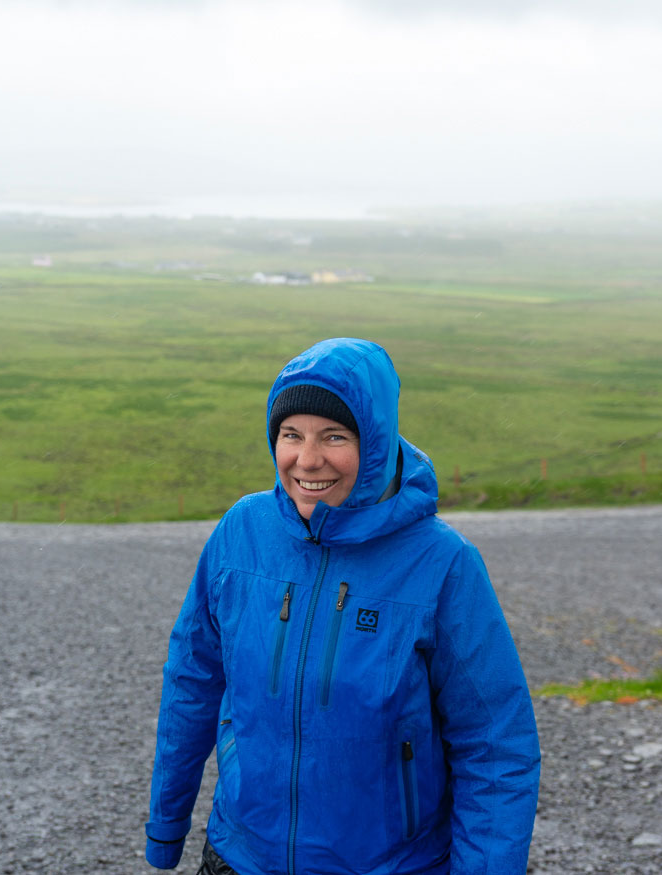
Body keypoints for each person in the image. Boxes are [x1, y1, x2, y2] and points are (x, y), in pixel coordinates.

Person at [145, 338, 540, 874]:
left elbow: (495, 744)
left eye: (334, 436)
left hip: (389, 865)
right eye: (291, 435)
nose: (308, 460)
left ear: (373, 442)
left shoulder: (442, 563)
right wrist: (166, 827)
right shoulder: (243, 532)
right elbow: (191, 683)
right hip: (240, 856)